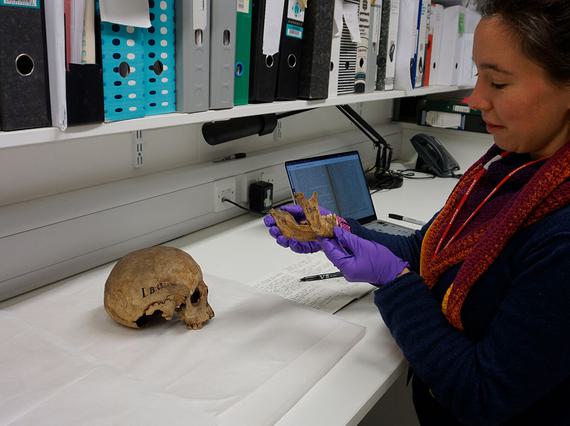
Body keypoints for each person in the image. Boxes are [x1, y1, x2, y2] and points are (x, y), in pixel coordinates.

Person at [264, 0, 570, 424]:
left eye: (497, 83)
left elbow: (483, 394)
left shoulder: (560, 236)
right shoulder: (507, 165)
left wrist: (394, 281)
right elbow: (427, 249)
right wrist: (339, 230)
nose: (476, 98)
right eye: (478, 74)